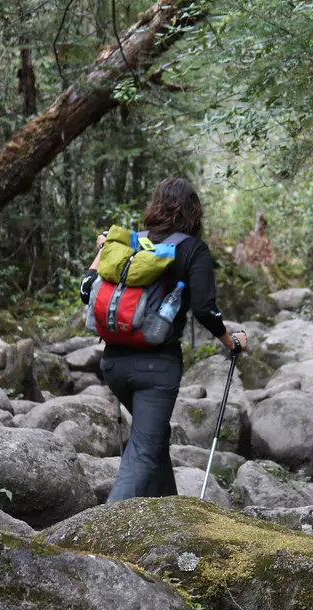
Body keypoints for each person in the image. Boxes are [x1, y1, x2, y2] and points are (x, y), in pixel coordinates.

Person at [79, 177, 249, 502]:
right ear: (194, 212)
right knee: (144, 449)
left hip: (114, 364)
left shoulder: (130, 244)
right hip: (157, 369)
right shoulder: (193, 250)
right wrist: (232, 342)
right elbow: (204, 309)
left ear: (155, 206)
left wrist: (101, 253)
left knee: (155, 438)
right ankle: (98, 535)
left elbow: (87, 289)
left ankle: (169, 512)